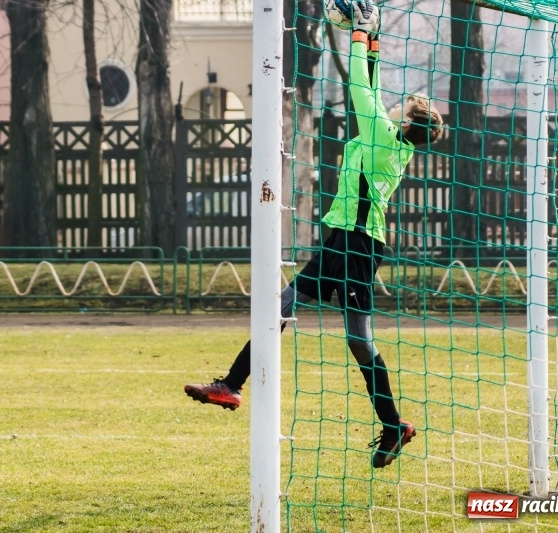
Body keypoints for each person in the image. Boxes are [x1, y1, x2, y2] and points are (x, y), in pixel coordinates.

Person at [184, 0, 444, 469]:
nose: (392, 107)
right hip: (353, 243)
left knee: (330, 328)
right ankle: (234, 386)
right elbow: (373, 82)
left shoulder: (381, 135)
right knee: (305, 320)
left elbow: (362, 86)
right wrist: (374, 34)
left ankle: (389, 424)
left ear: (406, 123)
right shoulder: (390, 139)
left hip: (355, 244)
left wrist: (361, 34)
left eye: (401, 110)